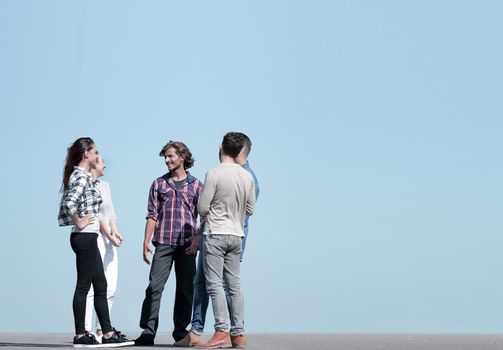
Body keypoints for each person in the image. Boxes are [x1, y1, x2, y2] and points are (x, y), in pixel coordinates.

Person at [175, 134, 259, 348]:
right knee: (234, 285)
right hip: (236, 235)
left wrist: (216, 211)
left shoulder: (214, 173)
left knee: (213, 285)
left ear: (221, 147)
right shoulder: (247, 176)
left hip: (216, 234)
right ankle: (238, 334)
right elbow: (250, 209)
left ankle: (221, 330)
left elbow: (202, 208)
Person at [58, 137, 133, 347]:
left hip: (89, 236)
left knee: (100, 285)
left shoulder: (85, 177)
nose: (98, 154)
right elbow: (68, 202)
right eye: (95, 151)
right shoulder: (80, 177)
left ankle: (108, 334)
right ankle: (80, 335)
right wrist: (79, 221)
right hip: (84, 237)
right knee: (84, 287)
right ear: (86, 154)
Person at [135, 141, 204, 346]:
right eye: (165, 157)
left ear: (182, 157)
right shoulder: (158, 184)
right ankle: (148, 331)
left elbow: (205, 216)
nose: (167, 160)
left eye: (171, 156)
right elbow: (151, 215)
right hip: (163, 242)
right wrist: (145, 241)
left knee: (185, 289)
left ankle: (180, 333)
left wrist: (198, 238)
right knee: (154, 287)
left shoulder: (197, 186)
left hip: (187, 245)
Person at [84, 155, 123, 342]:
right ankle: (87, 330)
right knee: (93, 287)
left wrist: (115, 232)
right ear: (94, 165)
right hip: (96, 237)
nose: (105, 164)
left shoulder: (105, 185)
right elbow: (97, 216)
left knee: (110, 286)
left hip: (109, 239)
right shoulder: (87, 185)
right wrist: (108, 235)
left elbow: (111, 213)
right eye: (101, 162)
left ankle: (103, 330)